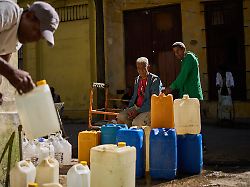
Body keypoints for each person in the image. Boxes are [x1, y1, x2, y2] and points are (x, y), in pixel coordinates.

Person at [0, 0, 59, 99]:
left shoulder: (16, 43)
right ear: (29, 15)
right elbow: (6, 69)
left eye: (40, 37)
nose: (36, 39)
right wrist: (11, 72)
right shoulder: (10, 11)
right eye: (37, 31)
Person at [117, 57, 162, 127]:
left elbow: (153, 101)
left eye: (143, 68)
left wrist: (138, 112)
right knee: (121, 117)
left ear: (148, 67)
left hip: (149, 109)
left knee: (136, 122)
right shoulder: (137, 79)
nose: (141, 71)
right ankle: (126, 136)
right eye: (138, 68)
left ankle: (138, 136)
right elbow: (135, 96)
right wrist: (129, 109)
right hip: (136, 107)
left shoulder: (155, 80)